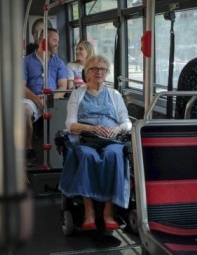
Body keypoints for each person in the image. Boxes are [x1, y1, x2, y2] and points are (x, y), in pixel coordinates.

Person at [58, 55, 132, 231]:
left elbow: (126, 122)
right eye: (94, 69)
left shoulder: (114, 95)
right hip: (87, 138)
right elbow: (70, 124)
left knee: (114, 155)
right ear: (87, 73)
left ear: (106, 73)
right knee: (86, 155)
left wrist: (117, 130)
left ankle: (108, 212)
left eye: (103, 69)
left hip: (111, 138)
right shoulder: (78, 93)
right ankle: (89, 212)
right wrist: (91, 128)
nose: (99, 72)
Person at [23, 27, 68, 166]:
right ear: (44, 40)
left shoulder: (59, 62)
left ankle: (61, 154)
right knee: (24, 111)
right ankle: (28, 149)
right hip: (32, 98)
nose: (57, 44)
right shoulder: (26, 61)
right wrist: (37, 99)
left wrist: (50, 98)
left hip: (53, 99)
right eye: (54, 40)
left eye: (58, 41)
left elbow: (62, 87)